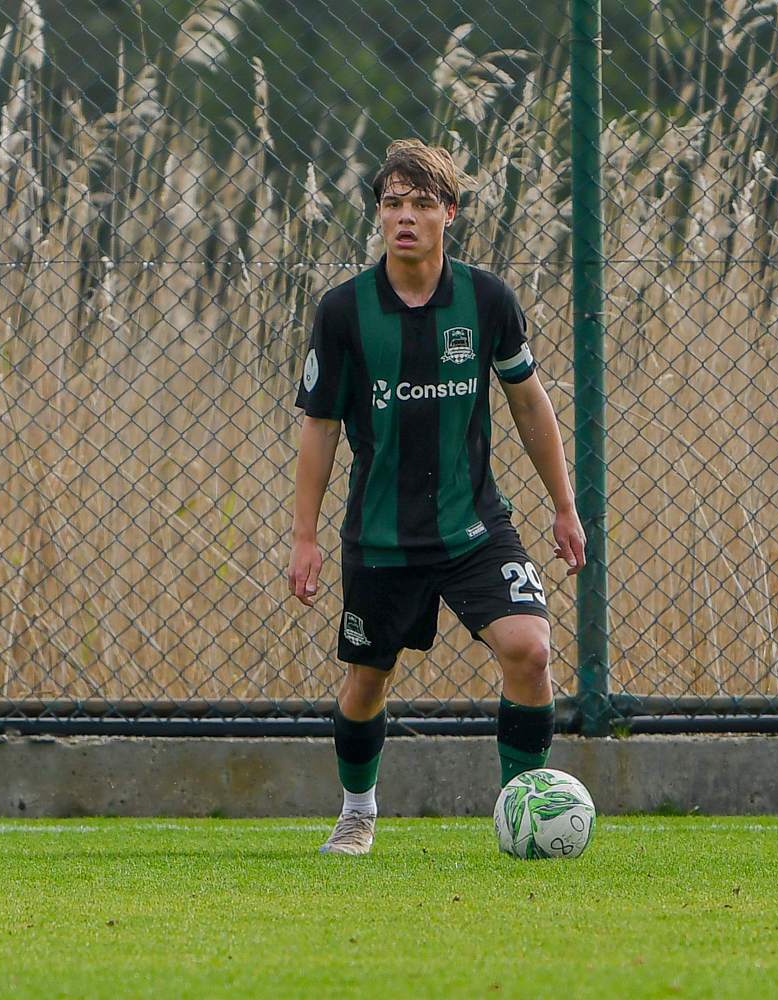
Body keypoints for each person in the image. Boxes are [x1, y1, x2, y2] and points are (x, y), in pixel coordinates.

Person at [287, 138, 586, 856]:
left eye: (422, 203)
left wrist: (564, 504)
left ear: (450, 212)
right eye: (393, 203)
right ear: (378, 215)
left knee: (531, 651)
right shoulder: (344, 310)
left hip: (475, 528)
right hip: (381, 536)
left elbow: (528, 402)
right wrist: (305, 535)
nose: (406, 217)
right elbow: (320, 428)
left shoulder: (487, 300)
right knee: (367, 681)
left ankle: (525, 811)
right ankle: (357, 812)